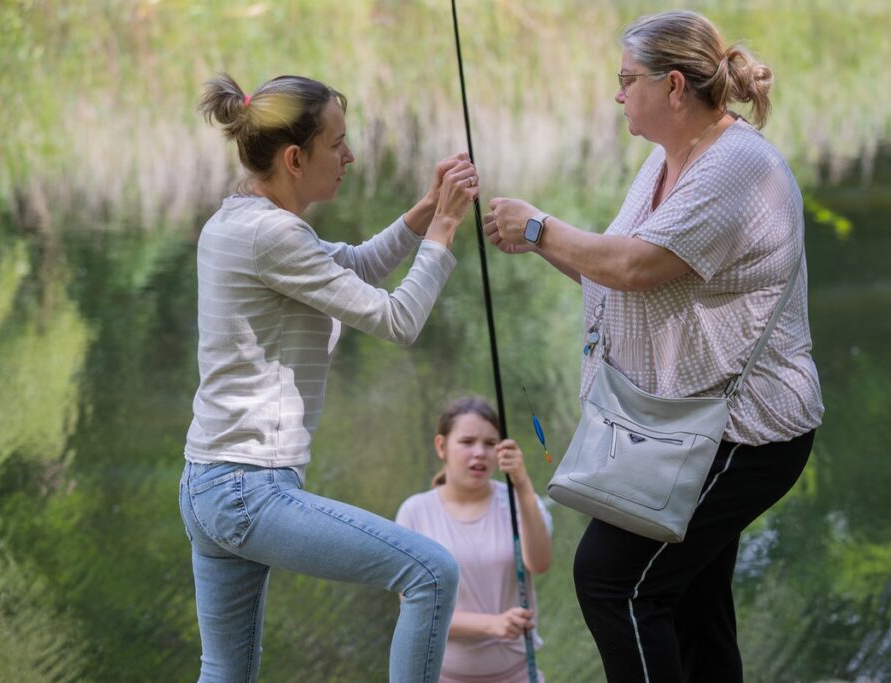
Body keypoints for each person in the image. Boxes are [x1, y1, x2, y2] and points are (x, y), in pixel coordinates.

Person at [484, 10, 824, 683]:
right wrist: (538, 241)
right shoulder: (667, 160)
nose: (617, 95)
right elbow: (617, 271)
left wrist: (538, 227)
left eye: (625, 80)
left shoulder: (735, 167)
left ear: (673, 86)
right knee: (692, 601)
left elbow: (637, 266)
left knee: (615, 584)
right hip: (685, 426)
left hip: (747, 432)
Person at [177, 72, 481, 683]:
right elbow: (397, 318)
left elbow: (355, 267)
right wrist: (445, 231)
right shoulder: (273, 235)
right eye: (336, 144)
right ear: (295, 158)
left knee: (227, 671)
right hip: (248, 489)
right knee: (431, 572)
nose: (349, 156)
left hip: (208, 483)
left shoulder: (240, 219)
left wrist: (423, 214)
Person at [396, 397, 553, 683]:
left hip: (518, 675)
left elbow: (539, 562)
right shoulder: (414, 512)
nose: (480, 453)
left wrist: (523, 484)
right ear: (441, 446)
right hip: (441, 676)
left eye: (490, 443)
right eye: (467, 442)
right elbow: (415, 608)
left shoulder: (520, 502)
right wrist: (492, 625)